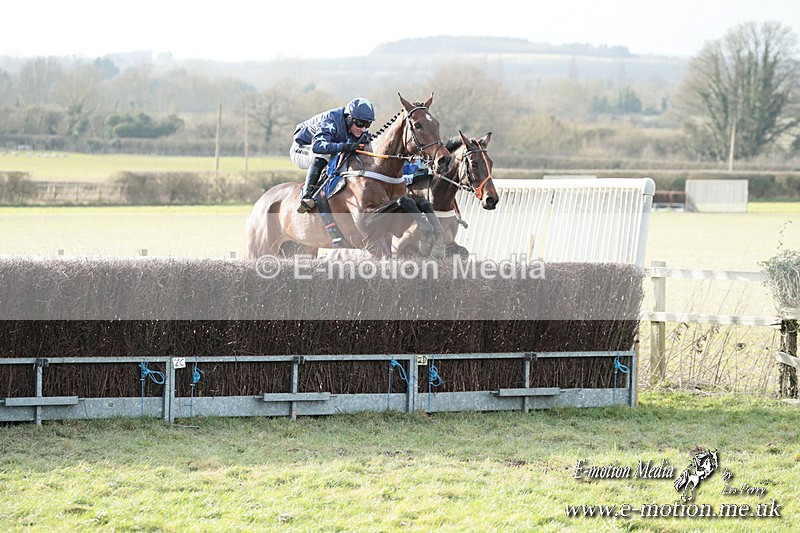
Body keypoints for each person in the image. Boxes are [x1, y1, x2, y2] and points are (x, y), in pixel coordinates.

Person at [290, 98, 375, 213]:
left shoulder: (361, 130)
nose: (363, 129)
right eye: (360, 123)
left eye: (367, 124)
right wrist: (345, 146)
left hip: (323, 148)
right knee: (324, 153)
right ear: (349, 118)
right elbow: (318, 146)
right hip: (301, 147)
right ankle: (307, 195)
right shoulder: (331, 120)